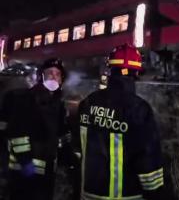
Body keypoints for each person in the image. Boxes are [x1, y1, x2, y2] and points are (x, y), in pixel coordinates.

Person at [77, 44, 165, 200]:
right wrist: (156, 193)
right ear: (136, 72)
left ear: (110, 70)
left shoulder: (88, 102)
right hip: (125, 196)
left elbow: (77, 148)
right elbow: (147, 157)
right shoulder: (139, 108)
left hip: (88, 193)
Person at [4, 58, 70, 200]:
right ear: (41, 76)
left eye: (58, 74)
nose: (54, 76)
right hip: (23, 172)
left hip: (47, 172)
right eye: (50, 73)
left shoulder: (58, 104)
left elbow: (59, 135)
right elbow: (17, 133)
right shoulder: (27, 99)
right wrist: (25, 161)